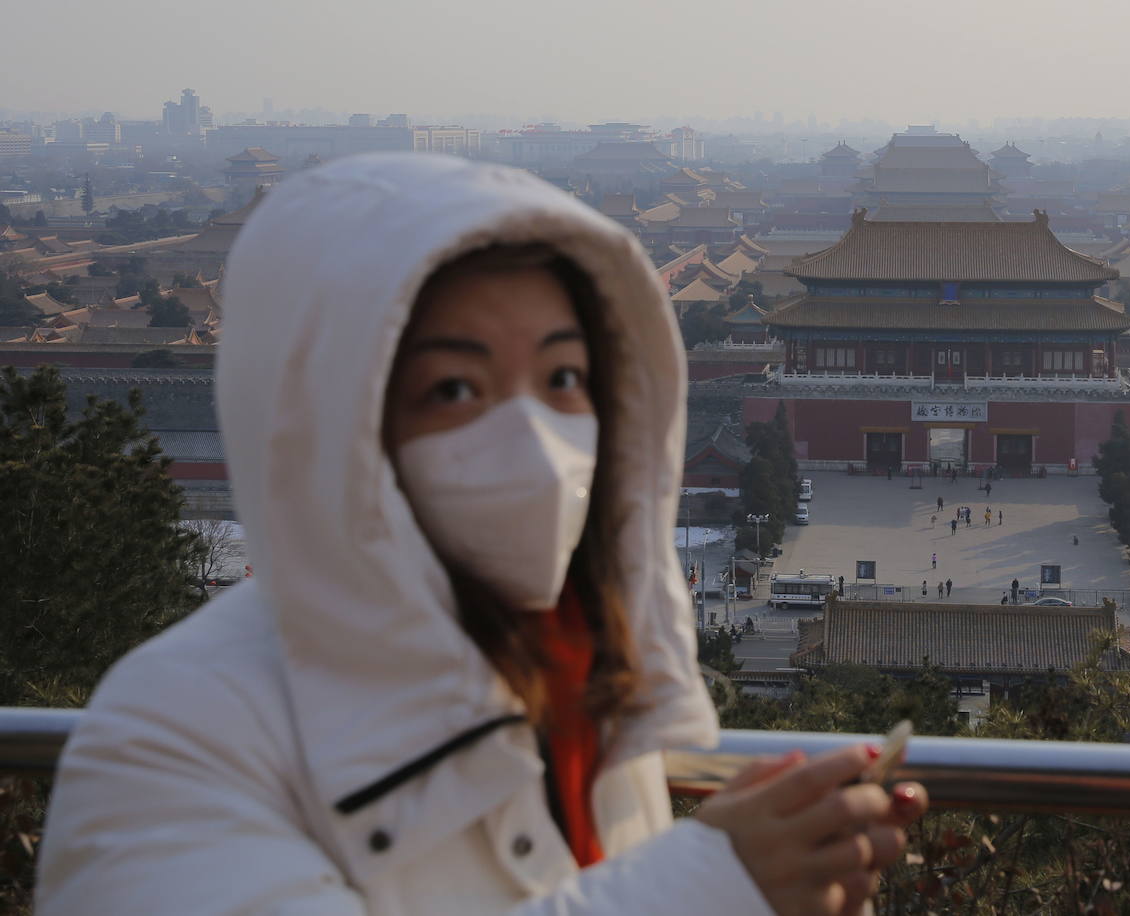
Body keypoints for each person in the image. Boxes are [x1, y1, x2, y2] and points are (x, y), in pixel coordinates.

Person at [36, 155, 927, 915]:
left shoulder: (584, 683)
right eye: (455, 389)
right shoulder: (169, 738)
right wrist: (707, 881)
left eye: (565, 374)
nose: (535, 439)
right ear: (323, 422)